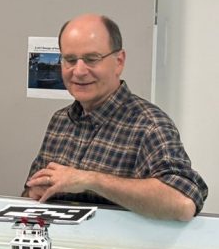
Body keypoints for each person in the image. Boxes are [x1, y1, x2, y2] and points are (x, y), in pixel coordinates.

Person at [24, 13, 207, 221]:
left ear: (119, 62)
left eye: (92, 59)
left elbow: (183, 203)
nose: (79, 71)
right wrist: (33, 192)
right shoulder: (60, 121)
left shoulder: (149, 125)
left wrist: (90, 180)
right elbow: (30, 193)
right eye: (70, 60)